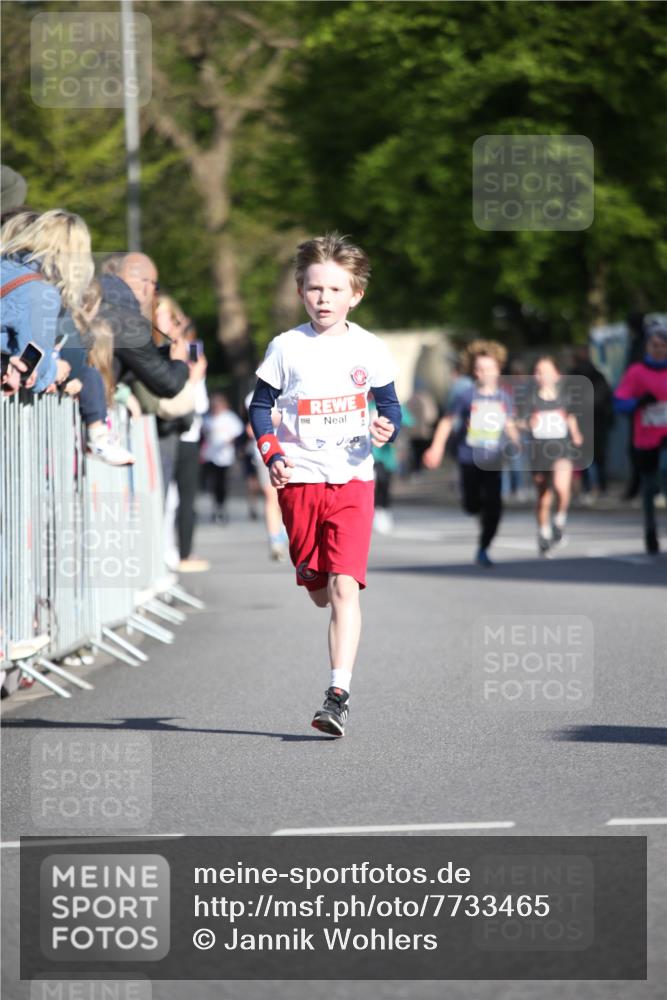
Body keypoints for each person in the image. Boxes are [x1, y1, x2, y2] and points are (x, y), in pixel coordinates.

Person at [248, 233, 401, 737]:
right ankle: (310, 573)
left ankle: (337, 695)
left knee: (344, 587)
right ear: (300, 290)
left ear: (355, 295)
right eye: (315, 289)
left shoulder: (369, 348)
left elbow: (390, 404)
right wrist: (271, 451)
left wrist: (387, 426)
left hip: (354, 478)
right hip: (300, 480)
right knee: (317, 588)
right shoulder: (286, 348)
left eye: (335, 291)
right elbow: (260, 405)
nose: (324, 299)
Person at [423, 339, 518, 567]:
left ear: (498, 369)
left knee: (495, 506)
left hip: (494, 459)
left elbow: (510, 423)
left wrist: (518, 443)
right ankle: (477, 507)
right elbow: (447, 422)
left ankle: (484, 547)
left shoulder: (504, 398)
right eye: (479, 368)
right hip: (468, 458)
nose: (484, 373)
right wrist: (436, 448)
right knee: (471, 505)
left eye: (489, 368)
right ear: (473, 371)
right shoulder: (465, 396)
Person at [99, 253, 190, 399]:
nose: (154, 293)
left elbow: (127, 361)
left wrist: (162, 354)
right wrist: (179, 361)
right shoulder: (129, 321)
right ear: (147, 286)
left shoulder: (94, 301)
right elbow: (168, 384)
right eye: (156, 286)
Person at [519, 356, 583, 557]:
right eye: (538, 372)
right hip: (540, 451)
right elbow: (519, 422)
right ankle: (544, 533)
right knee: (544, 496)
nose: (542, 376)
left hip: (561, 448)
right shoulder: (530, 399)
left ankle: (559, 522)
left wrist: (575, 432)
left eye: (546, 371)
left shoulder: (565, 397)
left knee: (561, 487)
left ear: (557, 375)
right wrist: (530, 423)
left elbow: (570, 416)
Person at [614, 318, 667, 554]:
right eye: (654, 345)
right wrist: (639, 402)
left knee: (665, 471)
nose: (658, 349)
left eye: (662, 345)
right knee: (648, 488)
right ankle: (650, 530)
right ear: (647, 347)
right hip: (645, 439)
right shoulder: (636, 372)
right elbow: (620, 403)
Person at [243, 390, 290, 561]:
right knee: (271, 496)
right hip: (266, 455)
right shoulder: (253, 396)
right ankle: (275, 540)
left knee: (285, 498)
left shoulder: (295, 387)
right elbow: (252, 425)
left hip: (292, 454)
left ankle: (286, 532)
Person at [569, 345, 613, 501]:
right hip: (594, 423)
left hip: (586, 423)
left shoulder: (576, 376)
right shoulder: (597, 376)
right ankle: (599, 489)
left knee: (585, 459)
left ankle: (589, 489)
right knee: (598, 459)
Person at [202, 392, 244, 524]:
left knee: (223, 484)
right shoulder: (207, 418)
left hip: (225, 456)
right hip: (210, 455)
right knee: (213, 483)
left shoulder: (229, 418)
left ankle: (222, 506)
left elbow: (238, 432)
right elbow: (203, 434)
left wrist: (230, 442)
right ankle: (216, 506)